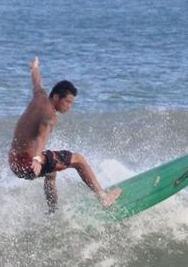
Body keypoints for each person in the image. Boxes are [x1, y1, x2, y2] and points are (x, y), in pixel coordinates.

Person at [7, 56, 120, 210]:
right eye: (67, 102)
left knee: (51, 171)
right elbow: (42, 137)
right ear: (55, 97)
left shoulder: (39, 96)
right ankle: (103, 196)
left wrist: (34, 67)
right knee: (78, 160)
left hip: (14, 162)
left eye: (71, 103)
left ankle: (52, 210)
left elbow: (37, 81)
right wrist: (37, 159)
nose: (69, 106)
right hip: (29, 164)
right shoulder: (50, 115)